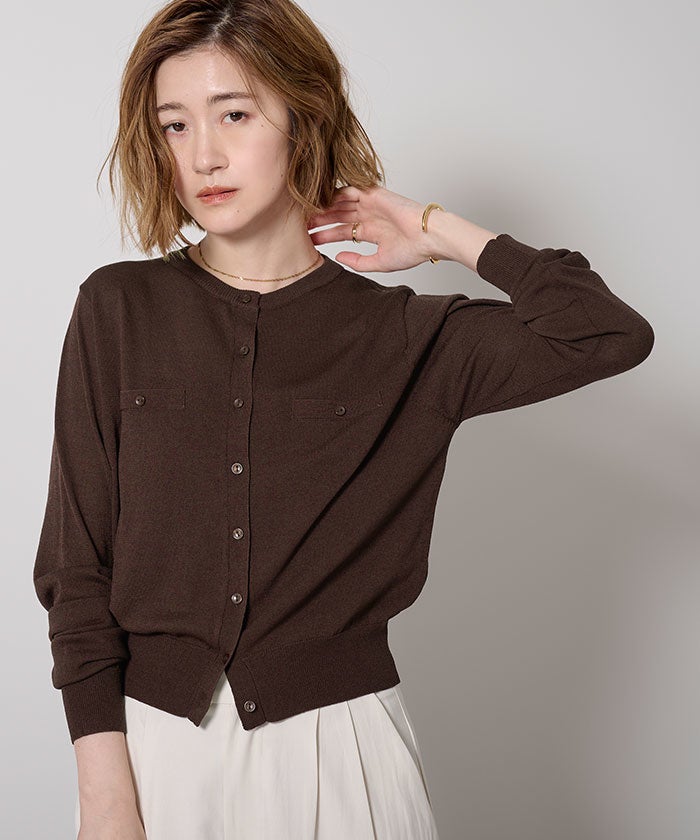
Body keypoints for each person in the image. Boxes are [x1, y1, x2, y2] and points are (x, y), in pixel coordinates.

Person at [32, 1, 655, 838]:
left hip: (343, 756)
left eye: (234, 114)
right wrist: (106, 793)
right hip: (153, 754)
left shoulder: (409, 335)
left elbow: (608, 333)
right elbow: (76, 569)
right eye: (175, 125)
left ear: (305, 116)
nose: (203, 154)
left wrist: (438, 232)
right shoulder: (118, 309)